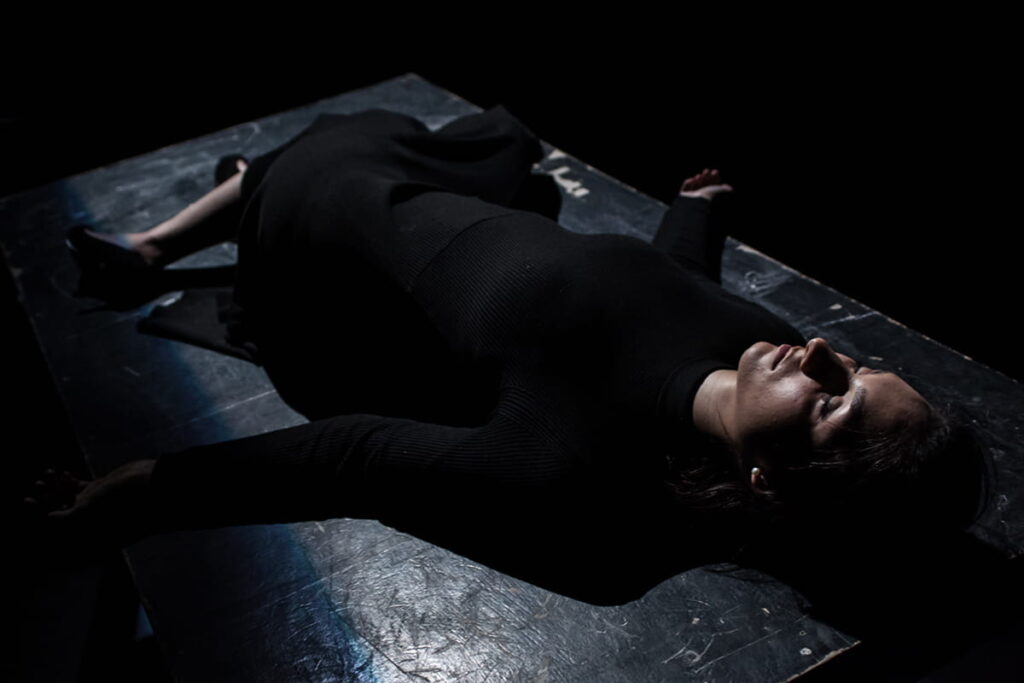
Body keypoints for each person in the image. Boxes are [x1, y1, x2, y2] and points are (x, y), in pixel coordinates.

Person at [25, 106, 984, 568]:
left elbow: (347, 458)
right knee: (499, 140)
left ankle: (161, 242)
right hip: (440, 206)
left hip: (327, 256)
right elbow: (675, 294)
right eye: (857, 363)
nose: (821, 353)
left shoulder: (563, 464)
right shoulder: (766, 345)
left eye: (831, 401)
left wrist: (141, 487)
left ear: (768, 483)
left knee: (330, 149)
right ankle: (218, 206)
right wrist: (695, 213)